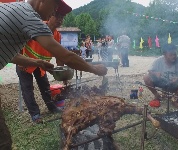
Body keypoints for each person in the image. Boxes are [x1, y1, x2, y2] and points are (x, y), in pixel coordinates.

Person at [0, 0, 107, 149]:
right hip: (24, 69)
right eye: (55, 6)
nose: (55, 11)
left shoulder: (19, 11)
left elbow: (11, 55)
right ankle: (34, 113)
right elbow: (67, 57)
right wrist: (94, 69)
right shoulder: (30, 17)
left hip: (35, 65)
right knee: (3, 142)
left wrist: (38, 63)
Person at [16, 3, 70, 123]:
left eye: (62, 17)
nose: (60, 20)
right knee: (27, 89)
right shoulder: (36, 26)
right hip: (24, 63)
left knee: (45, 86)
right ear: (50, 16)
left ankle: (52, 107)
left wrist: (63, 76)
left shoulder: (57, 35)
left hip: (41, 66)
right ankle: (35, 114)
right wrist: (19, 57)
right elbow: (19, 40)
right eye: (57, 16)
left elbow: (59, 55)